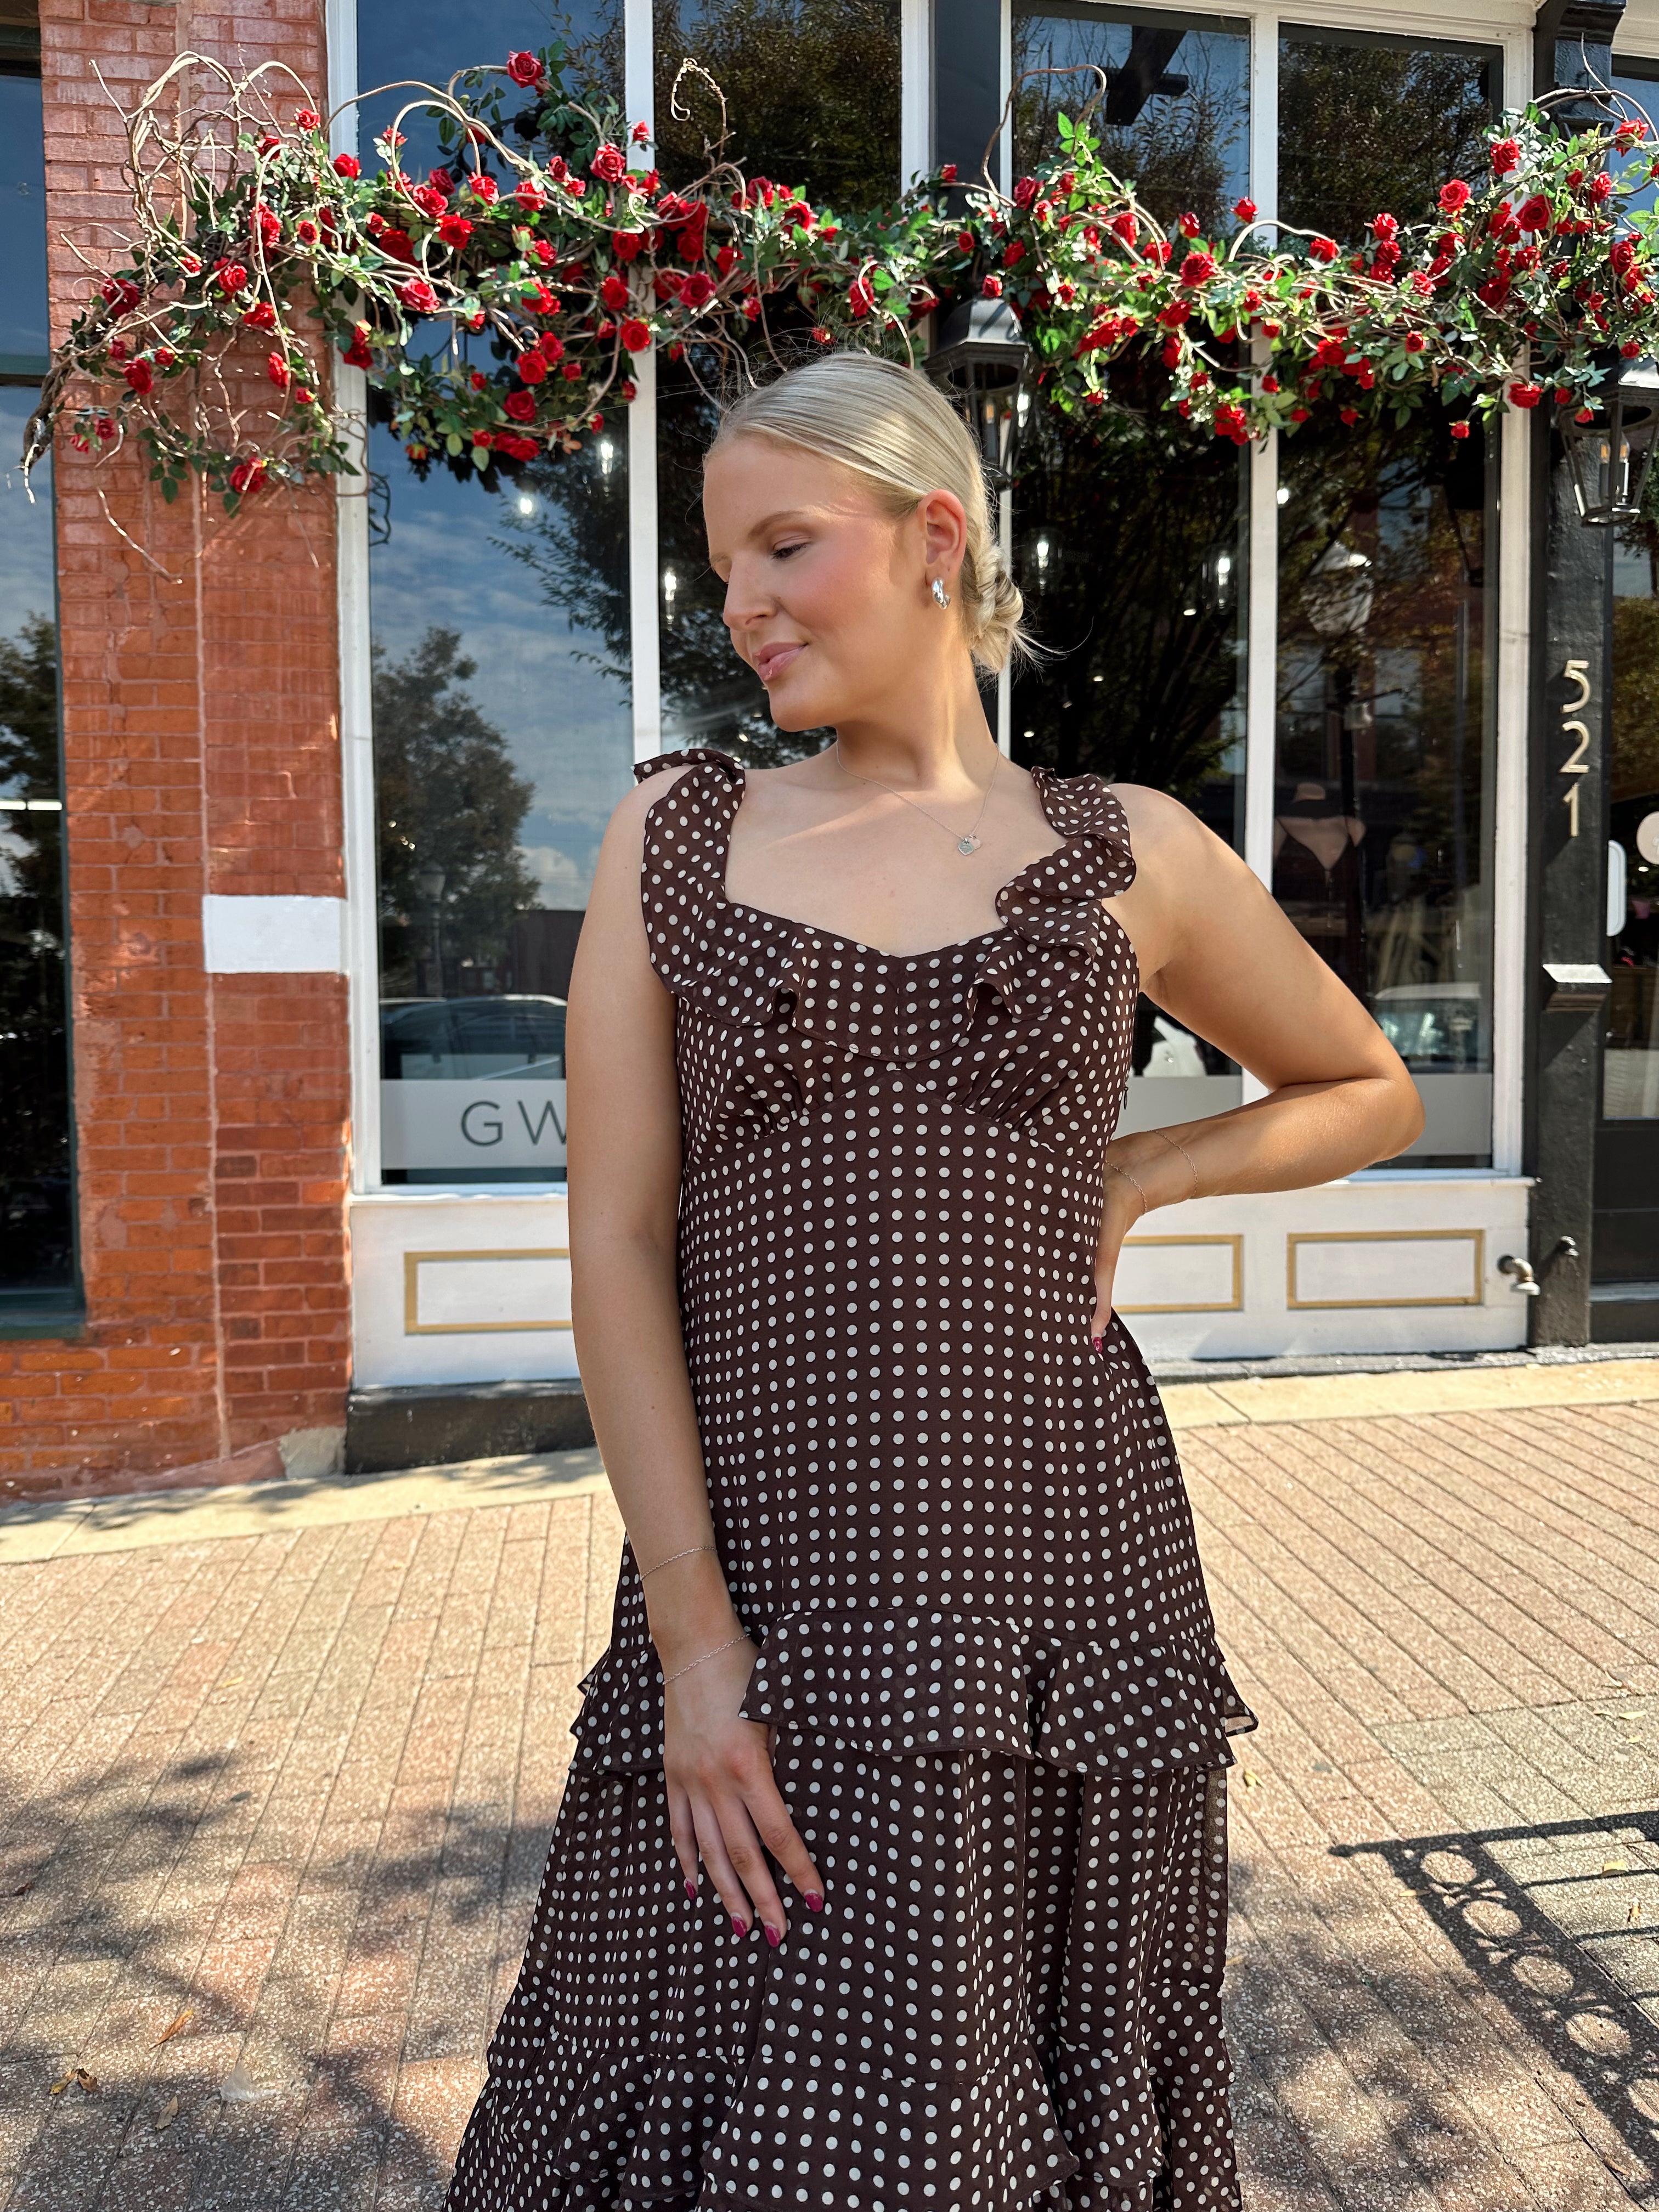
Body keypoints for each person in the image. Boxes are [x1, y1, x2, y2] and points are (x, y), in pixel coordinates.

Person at [446, 350, 1423, 2212]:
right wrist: (693, 1641)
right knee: (726, 2083)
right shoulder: (682, 837)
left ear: (934, 542)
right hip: (782, 1584)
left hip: (1056, 1573)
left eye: (784, 547)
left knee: (1012, 2093)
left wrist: (1151, 1165)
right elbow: (614, 1241)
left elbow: (1363, 1084)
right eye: (723, 563)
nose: (739, 606)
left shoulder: (1128, 849)